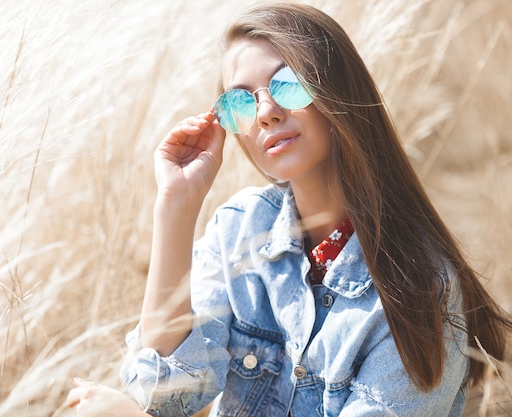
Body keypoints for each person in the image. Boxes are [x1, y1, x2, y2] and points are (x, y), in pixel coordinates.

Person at [68, 3, 512, 416]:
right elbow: (164, 395)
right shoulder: (240, 229)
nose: (265, 112)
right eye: (239, 102)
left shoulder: (419, 288)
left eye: (288, 84)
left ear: (335, 90)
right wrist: (176, 206)